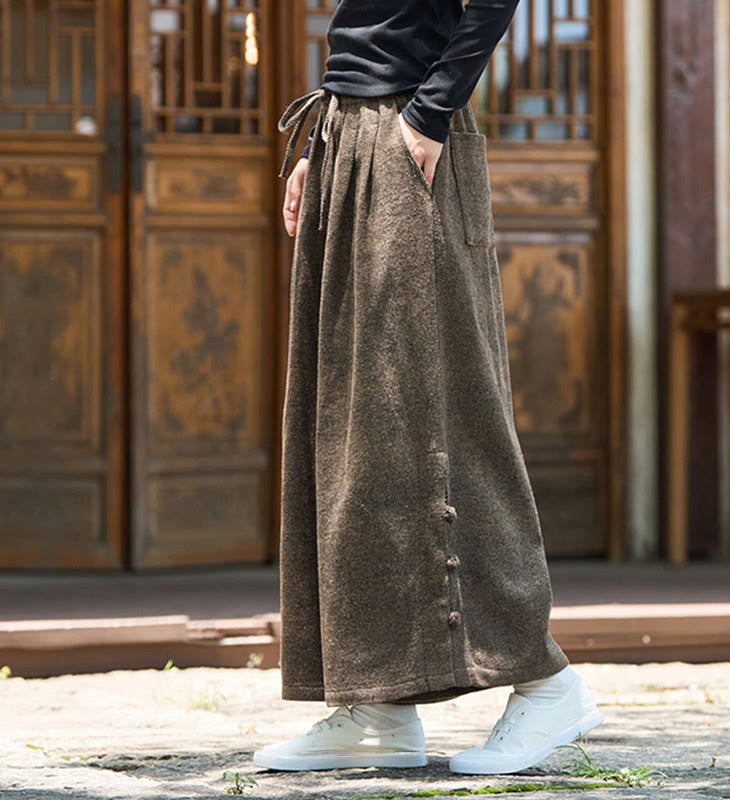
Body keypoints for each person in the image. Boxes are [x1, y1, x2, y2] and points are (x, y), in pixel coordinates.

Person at [254, 0, 602, 775]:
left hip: (408, 135)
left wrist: (430, 111)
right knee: (355, 429)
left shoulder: (422, 122)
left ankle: (546, 683)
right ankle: (377, 701)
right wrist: (329, 136)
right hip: (353, 132)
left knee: (440, 417)